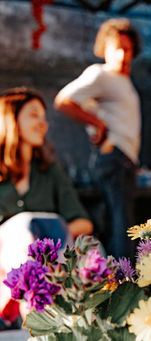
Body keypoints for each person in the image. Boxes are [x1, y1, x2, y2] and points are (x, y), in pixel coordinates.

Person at [0, 87, 93, 326]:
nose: (43, 124)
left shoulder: (51, 173)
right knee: (22, 226)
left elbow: (83, 222)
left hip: (50, 265)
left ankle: (28, 299)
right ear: (11, 119)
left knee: (33, 228)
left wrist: (47, 238)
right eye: (34, 115)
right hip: (3, 270)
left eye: (44, 117)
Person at [54, 18, 141, 259]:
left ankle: (113, 278)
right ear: (106, 49)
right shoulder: (100, 74)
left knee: (119, 222)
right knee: (123, 225)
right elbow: (64, 101)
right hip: (113, 157)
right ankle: (123, 283)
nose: (123, 54)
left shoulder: (124, 81)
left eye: (128, 48)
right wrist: (96, 123)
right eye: (118, 48)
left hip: (125, 161)